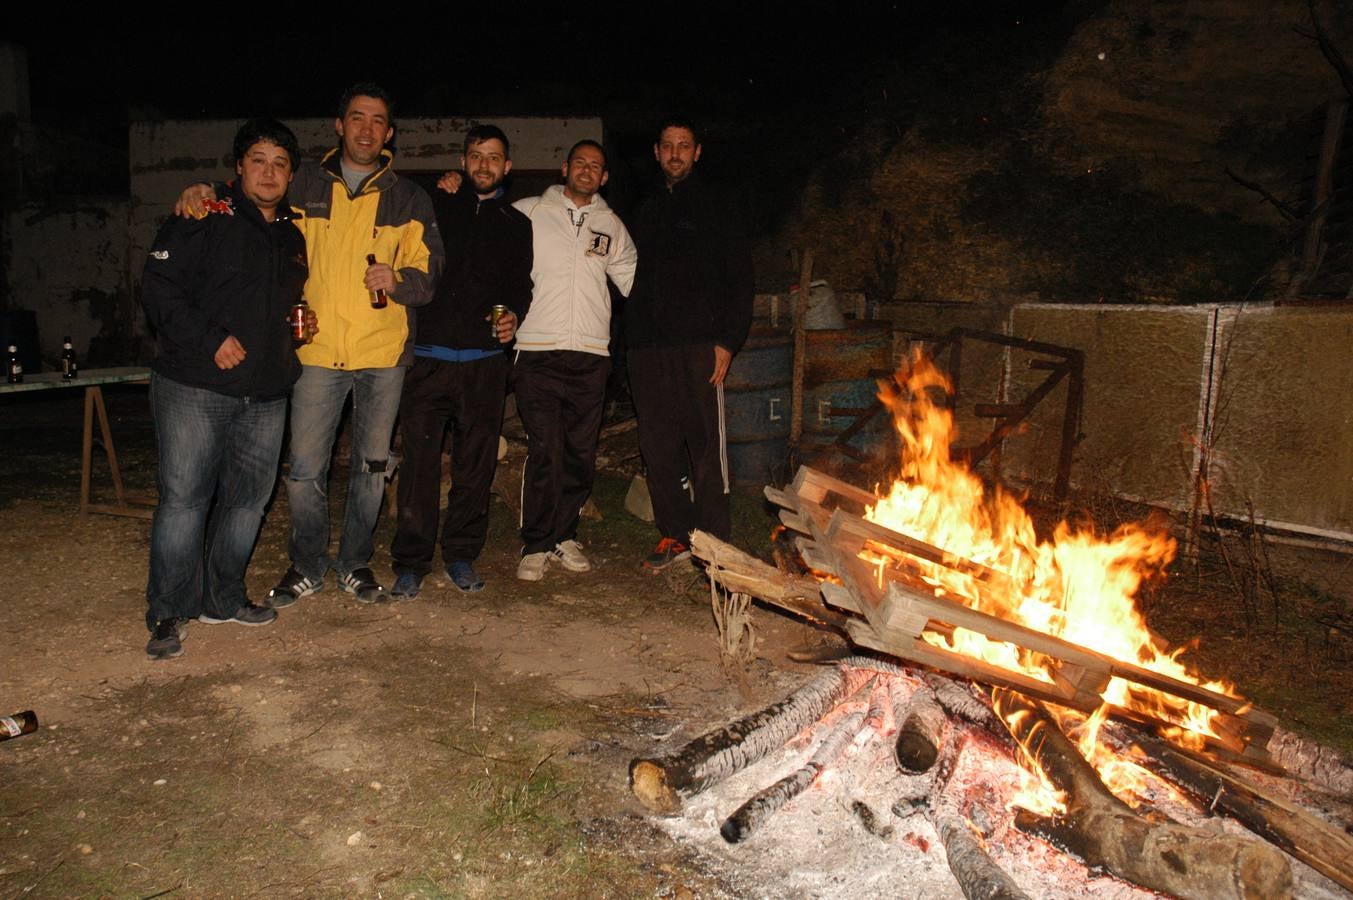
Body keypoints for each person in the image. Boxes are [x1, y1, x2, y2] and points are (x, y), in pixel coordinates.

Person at [177, 83, 444, 605]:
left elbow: (431, 272)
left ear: (389, 133)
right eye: (357, 117)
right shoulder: (301, 183)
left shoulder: (409, 198)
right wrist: (202, 189)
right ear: (340, 126)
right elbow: (249, 198)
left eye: (378, 121)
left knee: (372, 470)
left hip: (381, 354)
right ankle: (306, 564)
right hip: (315, 353)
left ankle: (355, 564)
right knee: (303, 471)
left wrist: (400, 279)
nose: (367, 128)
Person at [142, 118, 315, 660]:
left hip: (265, 393)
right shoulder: (204, 212)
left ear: (291, 175)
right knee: (185, 502)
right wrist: (210, 338)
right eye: (258, 160)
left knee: (247, 503)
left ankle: (222, 596)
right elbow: (158, 289)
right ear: (239, 167)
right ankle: (169, 612)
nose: (269, 172)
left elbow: (274, 305)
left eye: (280, 163)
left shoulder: (291, 235)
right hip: (194, 385)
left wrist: (297, 327)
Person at [389, 125, 533, 599]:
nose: (483, 165)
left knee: (475, 466)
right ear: (463, 161)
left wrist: (514, 315)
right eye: (475, 155)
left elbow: (520, 286)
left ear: (506, 166)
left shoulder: (516, 224)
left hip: (484, 363)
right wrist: (440, 187)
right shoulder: (437, 204)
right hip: (427, 360)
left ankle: (461, 554)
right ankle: (411, 562)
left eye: (493, 157)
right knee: (419, 466)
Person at [625, 119, 754, 571]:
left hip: (701, 346)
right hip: (646, 348)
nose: (675, 153)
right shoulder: (641, 206)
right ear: (656, 151)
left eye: (683, 145)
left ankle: (714, 544)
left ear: (697, 152)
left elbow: (740, 278)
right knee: (658, 447)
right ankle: (675, 536)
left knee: (706, 450)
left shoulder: (719, 204)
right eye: (668, 145)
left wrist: (728, 341)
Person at [510, 140, 637, 581]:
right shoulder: (528, 211)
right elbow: (490, 253)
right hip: (537, 351)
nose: (586, 170)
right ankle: (535, 543)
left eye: (595, 166)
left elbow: (635, 282)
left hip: (591, 354)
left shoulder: (611, 225)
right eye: (579, 162)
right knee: (545, 448)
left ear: (604, 177)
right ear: (565, 168)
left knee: (580, 452)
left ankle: (564, 535)